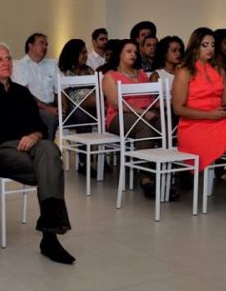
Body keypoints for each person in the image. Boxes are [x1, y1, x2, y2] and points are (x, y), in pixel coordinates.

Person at [0, 42, 74, 265]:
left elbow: (39, 126)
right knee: (51, 168)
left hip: (31, 147)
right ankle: (50, 238)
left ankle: (49, 232)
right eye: (0, 59)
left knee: (49, 148)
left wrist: (34, 136)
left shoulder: (22, 92)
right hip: (0, 150)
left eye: (8, 58)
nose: (6, 63)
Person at [172, 28, 226, 222]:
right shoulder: (184, 71)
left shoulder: (219, 70)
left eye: (212, 45)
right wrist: (210, 114)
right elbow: (178, 109)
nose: (210, 49)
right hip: (194, 127)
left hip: (218, 121)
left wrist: (225, 110)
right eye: (205, 45)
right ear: (195, 47)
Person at [101, 39, 160, 198]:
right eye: (128, 51)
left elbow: (151, 99)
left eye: (135, 52)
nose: (133, 54)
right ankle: (145, 177)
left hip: (145, 113)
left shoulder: (142, 74)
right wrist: (143, 113)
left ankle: (168, 173)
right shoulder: (110, 76)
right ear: (120, 54)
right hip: (119, 117)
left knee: (165, 124)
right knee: (145, 127)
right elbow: (116, 104)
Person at [58, 38, 97, 174]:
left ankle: (100, 158)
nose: (85, 56)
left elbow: (96, 92)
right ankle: (84, 161)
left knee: (90, 114)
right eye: (82, 53)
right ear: (73, 54)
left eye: (86, 52)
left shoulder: (89, 71)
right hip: (70, 111)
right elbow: (63, 96)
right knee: (83, 115)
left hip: (90, 110)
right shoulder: (63, 71)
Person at [11, 32, 59, 140]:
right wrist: (48, 108)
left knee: (82, 115)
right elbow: (25, 95)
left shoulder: (51, 65)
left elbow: (61, 89)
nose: (45, 47)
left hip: (53, 105)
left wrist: (62, 107)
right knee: (50, 118)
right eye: (41, 43)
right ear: (30, 45)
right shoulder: (19, 66)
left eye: (46, 44)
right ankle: (48, 148)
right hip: (33, 107)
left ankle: (84, 151)